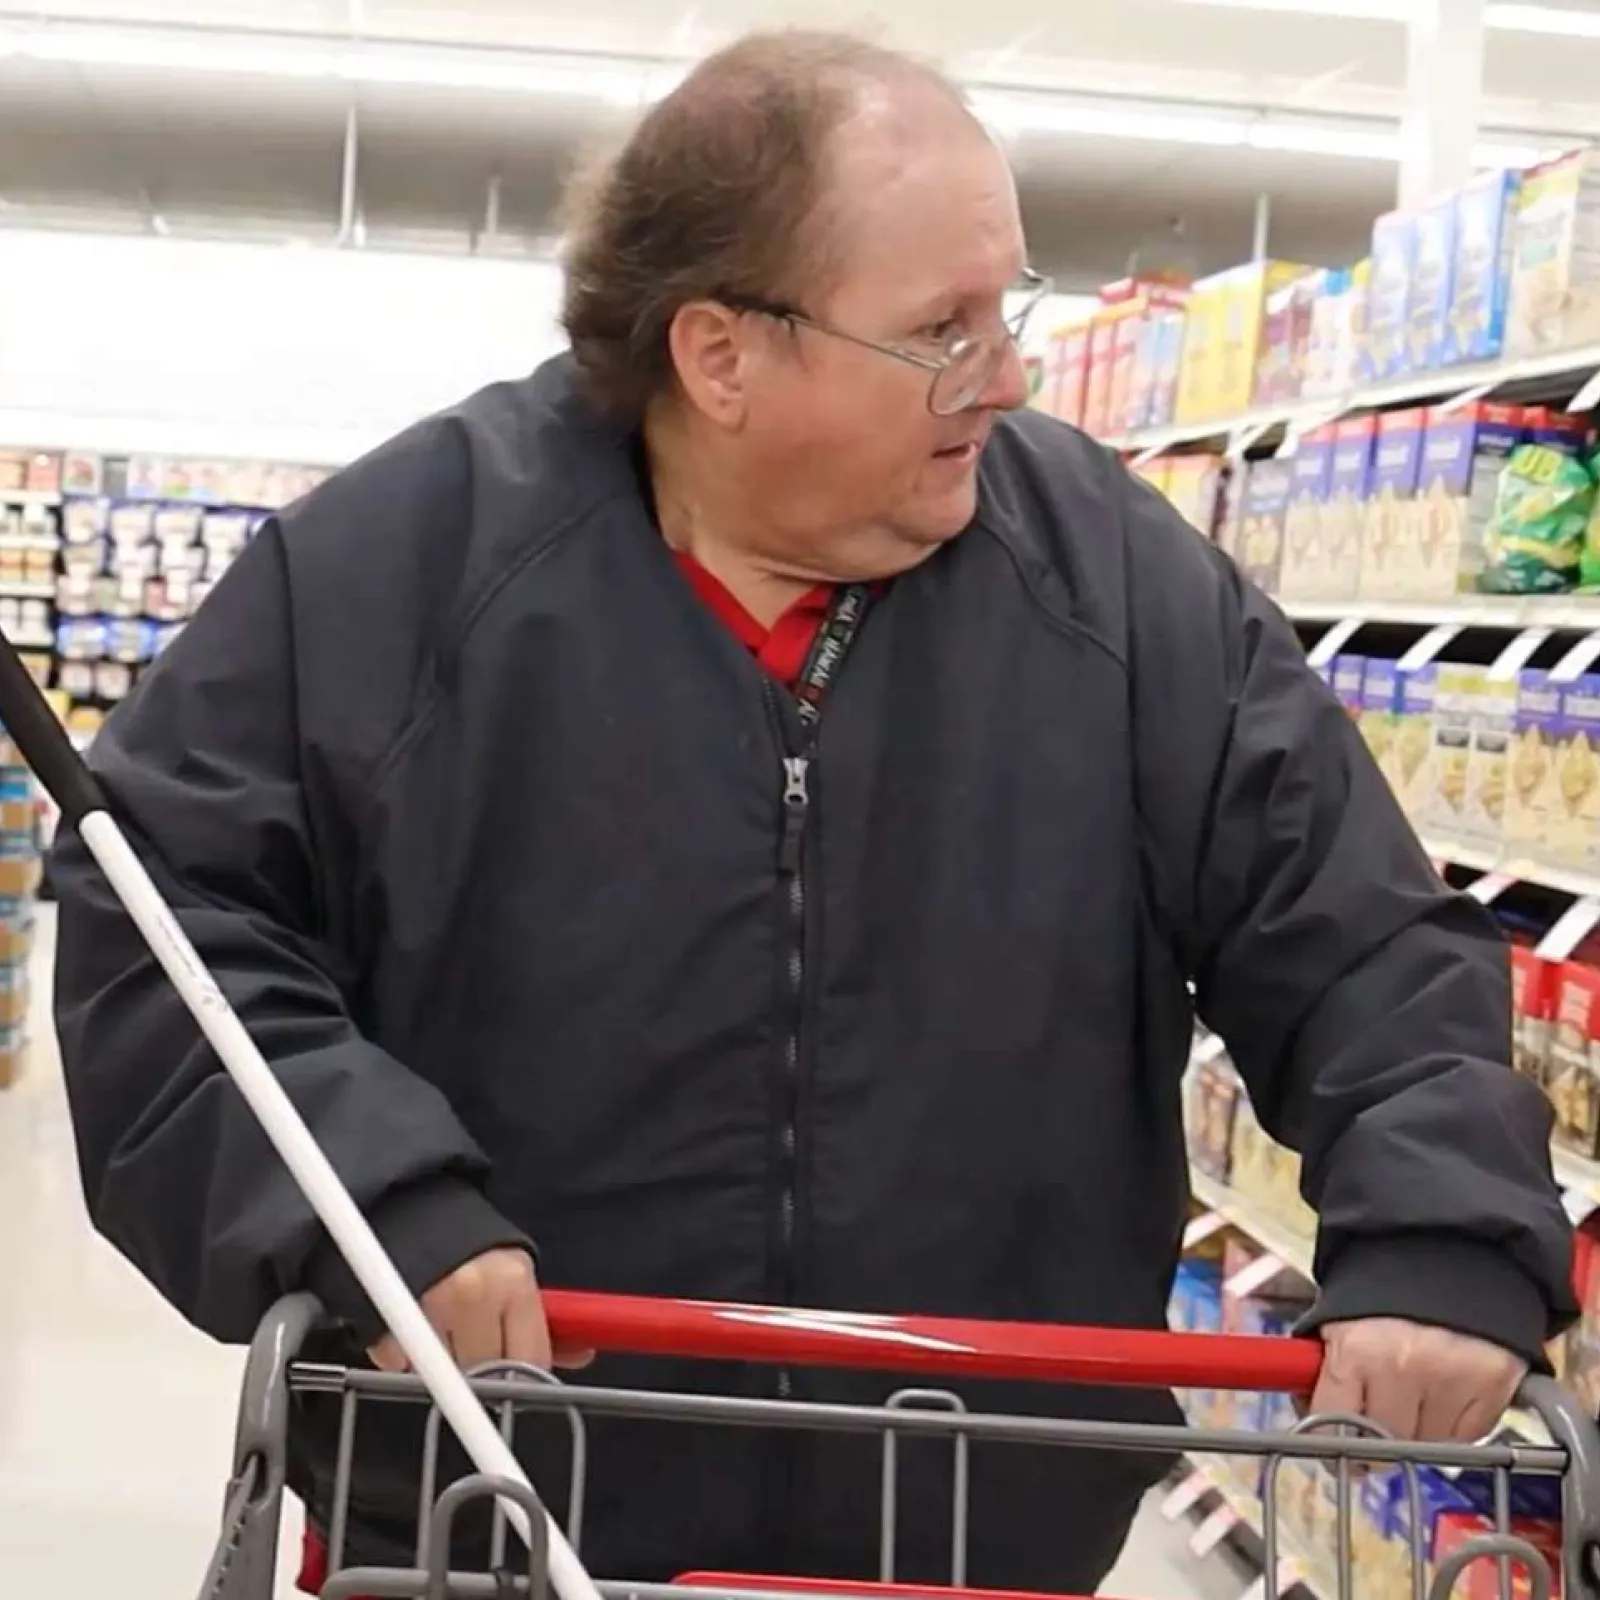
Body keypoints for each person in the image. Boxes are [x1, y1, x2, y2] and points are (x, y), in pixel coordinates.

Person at [50, 27, 1576, 1598]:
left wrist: (1444, 1226)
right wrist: (368, 1206)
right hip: (484, 1518)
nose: (1010, 376)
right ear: (721, 355)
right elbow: (161, 934)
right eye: (942, 329)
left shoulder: (1119, 592)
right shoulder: (392, 578)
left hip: (981, 1531)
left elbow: (1360, 937)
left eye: (1008, 307)